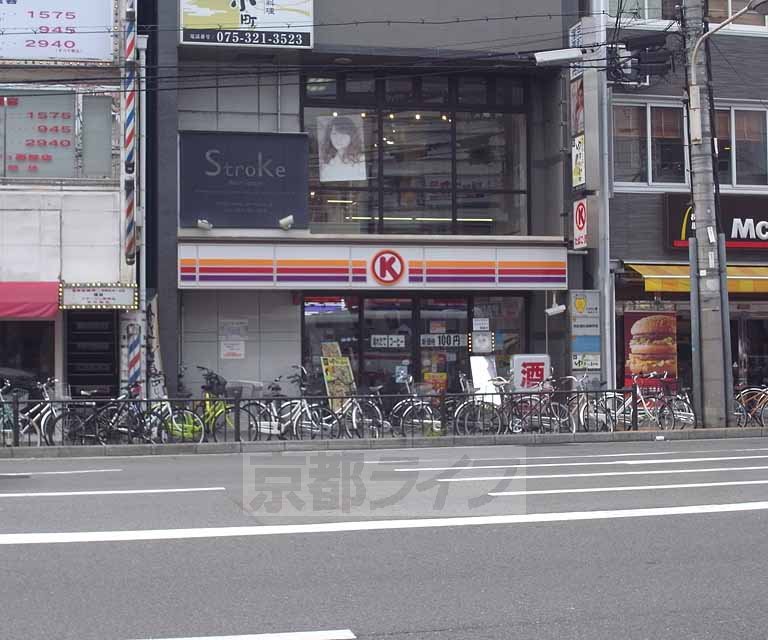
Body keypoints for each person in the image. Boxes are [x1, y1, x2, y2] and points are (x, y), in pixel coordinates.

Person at [319, 115, 367, 183]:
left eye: (343, 134)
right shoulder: (327, 162)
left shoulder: (361, 160)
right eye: (334, 133)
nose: (338, 139)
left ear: (352, 136)